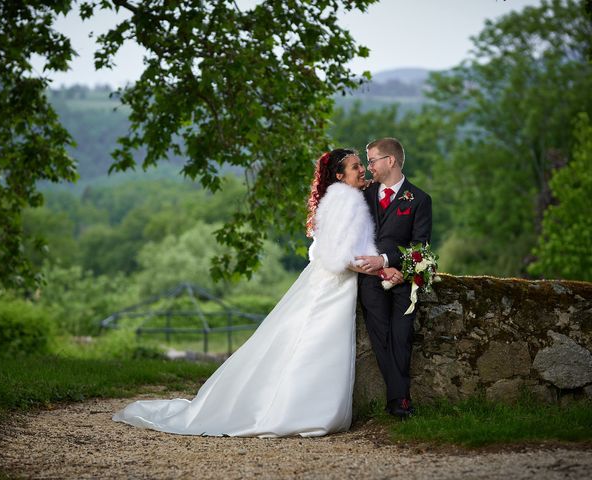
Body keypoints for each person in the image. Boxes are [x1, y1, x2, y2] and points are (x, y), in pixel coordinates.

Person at [112, 148, 402, 437]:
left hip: (333, 285)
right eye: (354, 167)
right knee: (314, 343)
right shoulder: (344, 202)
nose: (362, 169)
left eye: (361, 165)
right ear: (339, 176)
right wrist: (380, 269)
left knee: (304, 344)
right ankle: (297, 411)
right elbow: (342, 257)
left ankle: (300, 406)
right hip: (332, 287)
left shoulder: (343, 198)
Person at [355, 138, 432, 418]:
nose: (368, 167)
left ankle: (397, 399)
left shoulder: (420, 199)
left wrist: (389, 262)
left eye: (372, 160)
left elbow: (420, 245)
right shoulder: (362, 195)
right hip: (370, 280)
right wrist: (377, 266)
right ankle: (401, 401)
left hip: (403, 281)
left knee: (402, 336)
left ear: (390, 161)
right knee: (380, 337)